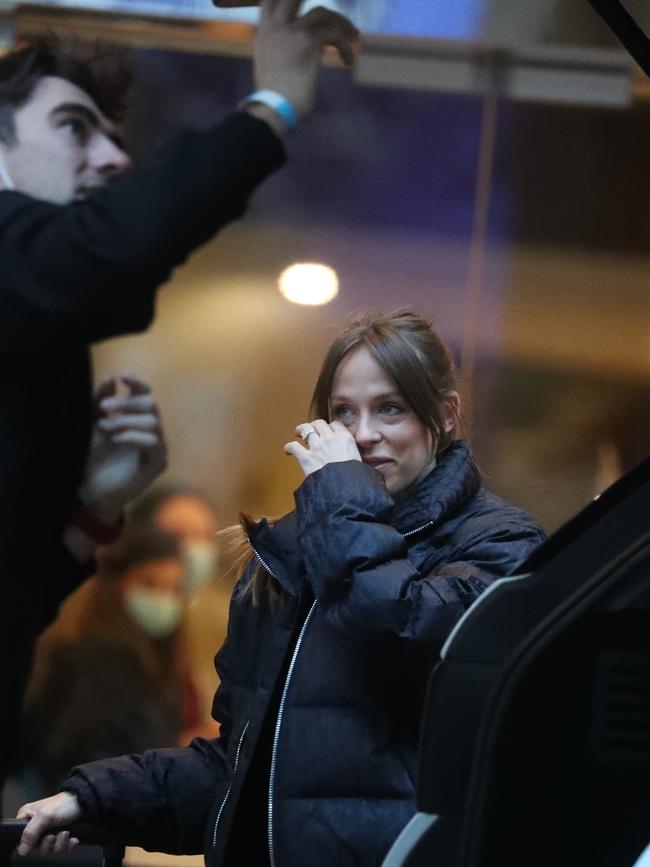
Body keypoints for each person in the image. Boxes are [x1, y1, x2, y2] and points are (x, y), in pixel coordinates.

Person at [15, 310, 545, 866]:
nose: (363, 436)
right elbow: (239, 770)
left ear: (445, 414)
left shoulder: (499, 542)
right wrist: (97, 797)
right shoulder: (290, 556)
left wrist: (339, 493)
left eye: (391, 408)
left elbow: (405, 634)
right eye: (344, 412)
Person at [0, 0, 358, 793]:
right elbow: (110, 246)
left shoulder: (35, 326)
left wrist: (94, 506)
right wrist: (274, 105)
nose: (112, 158)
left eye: (116, 138)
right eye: (73, 127)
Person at [15, 525, 200, 802]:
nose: (162, 599)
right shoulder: (98, 656)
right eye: (149, 584)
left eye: (174, 588)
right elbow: (87, 753)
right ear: (118, 583)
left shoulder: (159, 658)